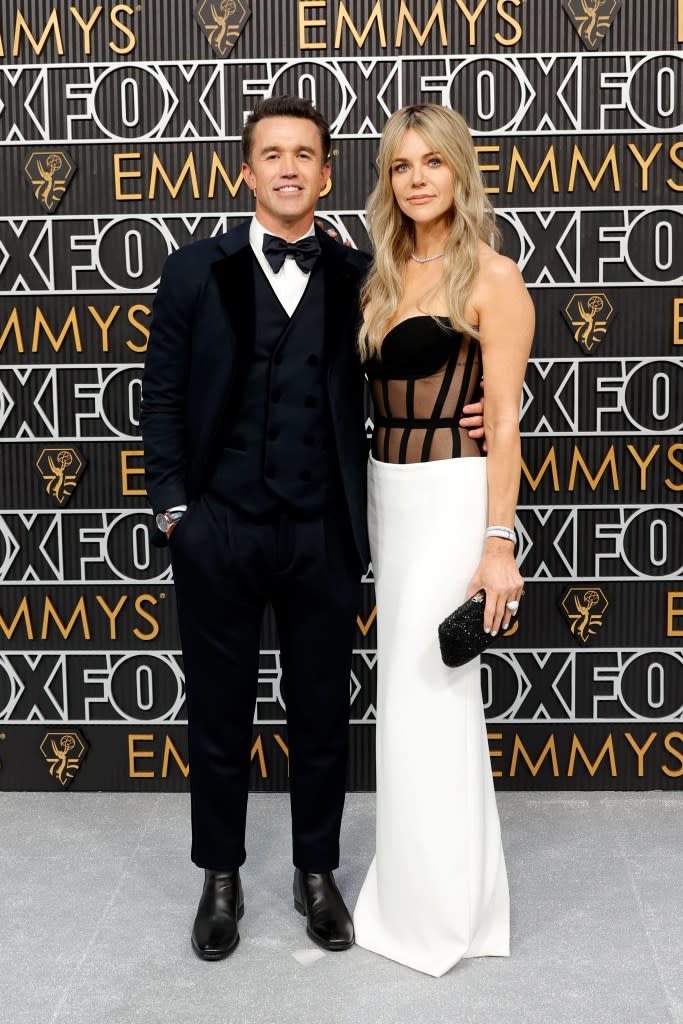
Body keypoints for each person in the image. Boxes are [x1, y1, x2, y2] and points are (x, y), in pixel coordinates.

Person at [141, 95, 487, 961]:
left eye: (306, 155)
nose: (289, 168)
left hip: (324, 532)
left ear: (327, 174)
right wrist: (176, 511)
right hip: (217, 529)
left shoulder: (361, 276)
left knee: (321, 715)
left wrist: (472, 410)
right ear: (246, 171)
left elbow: (416, 354)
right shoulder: (192, 271)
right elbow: (164, 399)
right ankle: (219, 880)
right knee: (219, 716)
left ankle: (316, 875)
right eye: (272, 154)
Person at [353, 104, 534, 977]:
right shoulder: (381, 275)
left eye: (433, 162)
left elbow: (502, 419)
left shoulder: (492, 277)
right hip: (390, 499)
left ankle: (446, 913)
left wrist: (497, 544)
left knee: (436, 691)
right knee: (404, 698)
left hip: (454, 497)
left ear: (460, 171)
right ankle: (409, 894)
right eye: (400, 166)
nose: (417, 178)